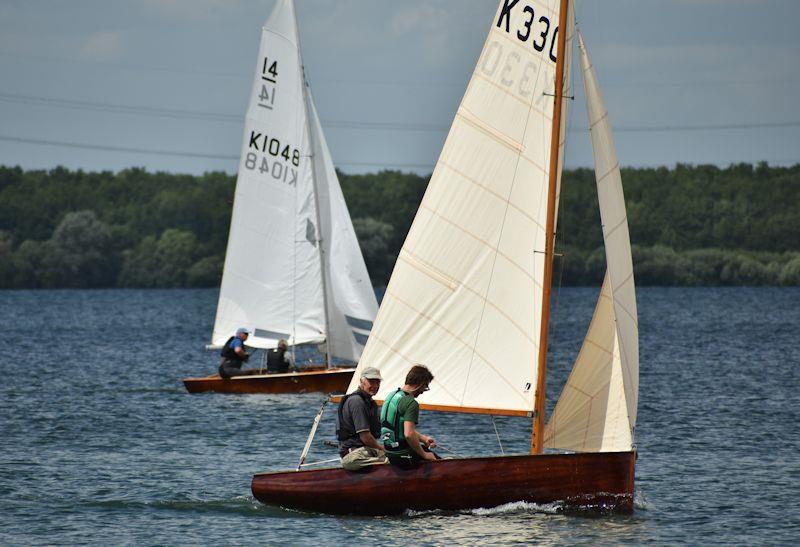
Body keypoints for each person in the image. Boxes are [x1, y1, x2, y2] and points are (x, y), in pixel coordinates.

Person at [380, 364, 439, 468]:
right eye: (425, 387)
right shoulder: (411, 403)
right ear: (420, 384)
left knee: (423, 449)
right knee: (434, 458)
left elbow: (399, 429)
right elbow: (408, 434)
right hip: (403, 455)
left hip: (390, 453)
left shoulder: (391, 396)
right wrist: (425, 455)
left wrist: (423, 439)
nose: (423, 392)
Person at [337, 367, 387, 471]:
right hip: (355, 456)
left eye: (377, 382)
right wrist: (383, 449)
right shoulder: (357, 402)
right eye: (371, 382)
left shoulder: (370, 403)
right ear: (361, 381)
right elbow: (365, 437)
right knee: (393, 460)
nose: (375, 386)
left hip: (364, 451)